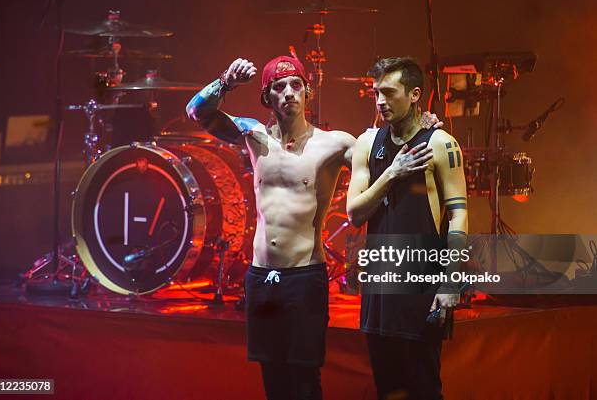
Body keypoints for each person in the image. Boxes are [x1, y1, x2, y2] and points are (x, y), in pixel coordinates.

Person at [186, 56, 355, 400]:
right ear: (267, 98)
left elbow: (381, 153)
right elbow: (196, 112)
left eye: (296, 85)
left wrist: (421, 125)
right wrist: (226, 81)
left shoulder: (335, 143)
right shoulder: (254, 134)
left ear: (308, 91)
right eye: (279, 87)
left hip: (304, 276)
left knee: (304, 379)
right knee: (273, 380)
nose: (289, 93)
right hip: (262, 276)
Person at [346, 57, 468, 400]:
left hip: (421, 287)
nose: (380, 101)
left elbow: (458, 214)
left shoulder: (441, 143)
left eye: (388, 93)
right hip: (380, 289)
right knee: (388, 388)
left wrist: (451, 280)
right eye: (376, 93)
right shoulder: (368, 144)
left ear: (414, 94)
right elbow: (354, 213)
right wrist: (392, 173)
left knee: (424, 388)